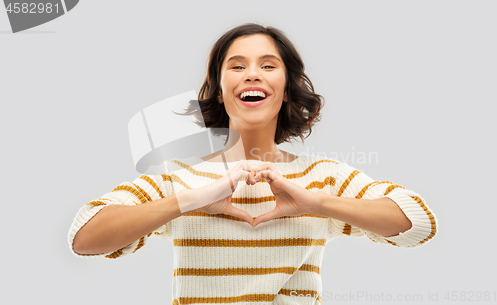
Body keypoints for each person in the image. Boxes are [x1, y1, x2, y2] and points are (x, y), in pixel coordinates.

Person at [68, 23, 437, 304]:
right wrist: (192, 200)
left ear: (287, 88)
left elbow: (419, 223)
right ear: (217, 88)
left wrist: (314, 202)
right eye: (237, 65)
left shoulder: (323, 177)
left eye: (268, 65)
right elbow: (85, 237)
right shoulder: (180, 179)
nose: (252, 73)